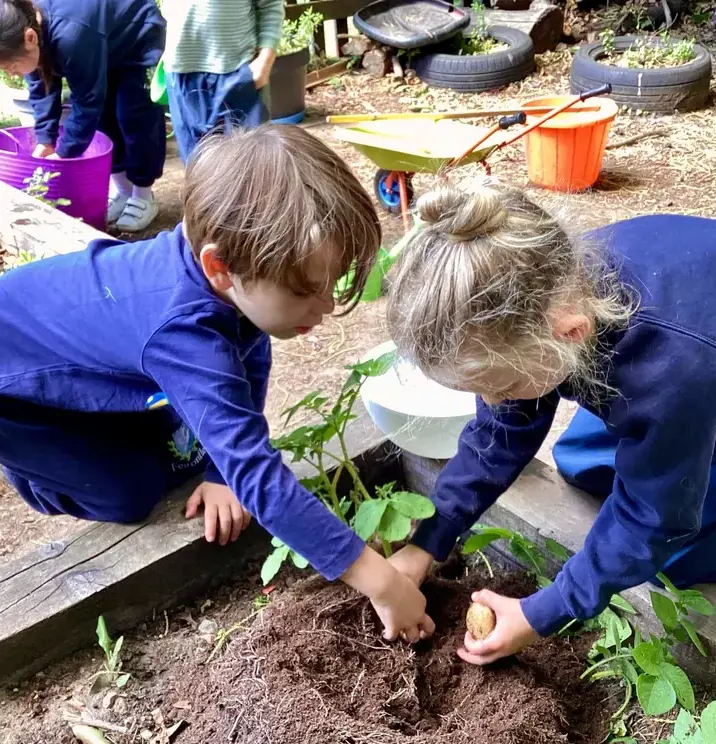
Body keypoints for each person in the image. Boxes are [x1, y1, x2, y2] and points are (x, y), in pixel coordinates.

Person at [0, 125, 435, 644]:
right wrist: (379, 581)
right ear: (220, 267)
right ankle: (35, 472)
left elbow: (249, 361)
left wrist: (219, 470)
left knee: (188, 450)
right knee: (129, 493)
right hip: (15, 390)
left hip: (86, 349)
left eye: (331, 284)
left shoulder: (233, 281)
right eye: (304, 291)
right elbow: (258, 474)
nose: (323, 308)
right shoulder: (185, 336)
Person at [385, 181, 716, 664]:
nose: (492, 402)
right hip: (701, 361)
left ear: (569, 335)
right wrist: (428, 541)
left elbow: (657, 520)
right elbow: (502, 431)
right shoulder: (538, 288)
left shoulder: (670, 367)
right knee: (581, 466)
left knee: (679, 556)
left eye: (502, 386)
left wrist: (545, 611)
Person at [0, 0, 166, 233]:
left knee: (134, 118)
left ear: (30, 38)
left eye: (12, 66)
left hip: (137, 38)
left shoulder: (70, 35)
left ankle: (143, 195)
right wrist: (45, 141)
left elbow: (87, 100)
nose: (12, 74)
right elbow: (42, 89)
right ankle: (123, 191)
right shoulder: (26, 32)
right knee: (103, 121)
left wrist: (64, 153)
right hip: (100, 42)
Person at [161, 0, 283, 163]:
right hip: (181, 73)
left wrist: (265, 62)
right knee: (197, 166)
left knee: (251, 164)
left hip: (238, 72)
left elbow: (270, 4)